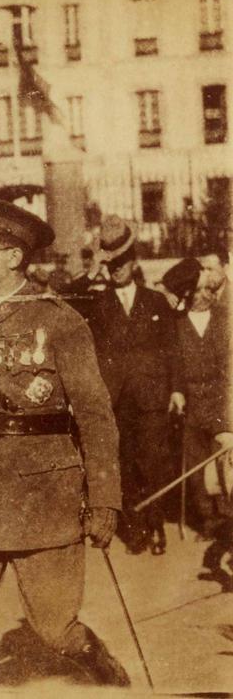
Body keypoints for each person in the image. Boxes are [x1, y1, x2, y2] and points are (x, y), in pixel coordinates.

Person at [0, 196, 129, 687]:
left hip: (42, 494)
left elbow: (97, 418)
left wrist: (104, 500)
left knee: (55, 629)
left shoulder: (60, 321)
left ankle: (104, 673)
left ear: (14, 256)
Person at [82, 217, 182, 555]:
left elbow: (173, 349)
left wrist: (177, 389)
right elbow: (65, 296)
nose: (117, 270)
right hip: (117, 401)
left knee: (152, 464)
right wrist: (92, 270)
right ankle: (135, 530)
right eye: (111, 264)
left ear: (134, 261)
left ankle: (156, 528)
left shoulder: (156, 302)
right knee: (124, 466)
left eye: (122, 262)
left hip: (152, 398)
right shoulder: (97, 305)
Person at [167, 255, 232, 542]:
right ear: (189, 295)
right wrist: (177, 391)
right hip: (192, 401)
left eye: (209, 290)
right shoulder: (178, 323)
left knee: (223, 463)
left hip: (220, 397)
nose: (205, 296)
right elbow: (175, 364)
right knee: (195, 463)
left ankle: (227, 518)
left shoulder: (223, 319)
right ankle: (209, 520)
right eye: (199, 291)